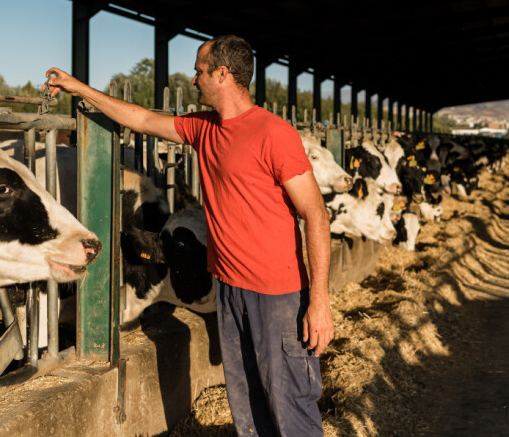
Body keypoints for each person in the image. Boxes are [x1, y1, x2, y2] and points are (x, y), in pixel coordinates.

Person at [45, 35, 333, 436]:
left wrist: (318, 300)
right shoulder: (204, 129)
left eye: (199, 71)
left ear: (223, 74)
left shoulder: (274, 134)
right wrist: (77, 87)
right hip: (230, 290)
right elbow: (141, 119)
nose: (192, 79)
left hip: (278, 294)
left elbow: (315, 214)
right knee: (247, 404)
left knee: (290, 406)